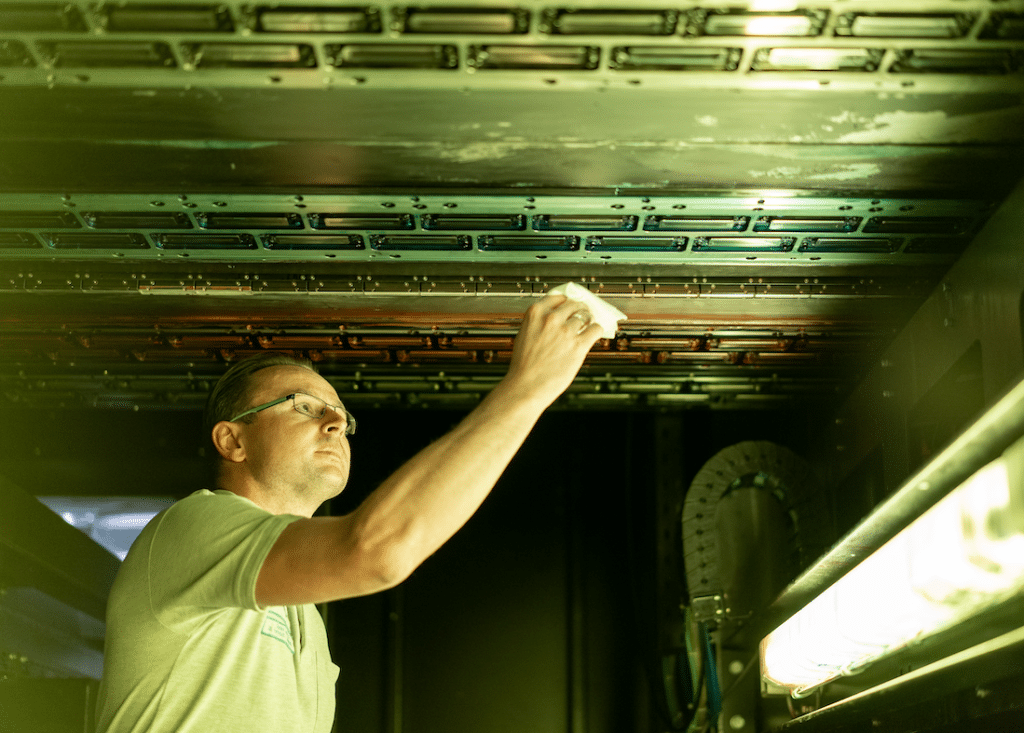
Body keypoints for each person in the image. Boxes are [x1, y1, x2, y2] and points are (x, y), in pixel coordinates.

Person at [95, 292, 603, 733]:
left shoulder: (305, 618)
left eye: (341, 414)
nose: (337, 422)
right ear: (233, 440)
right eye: (303, 405)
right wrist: (529, 387)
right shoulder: (190, 527)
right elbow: (377, 550)